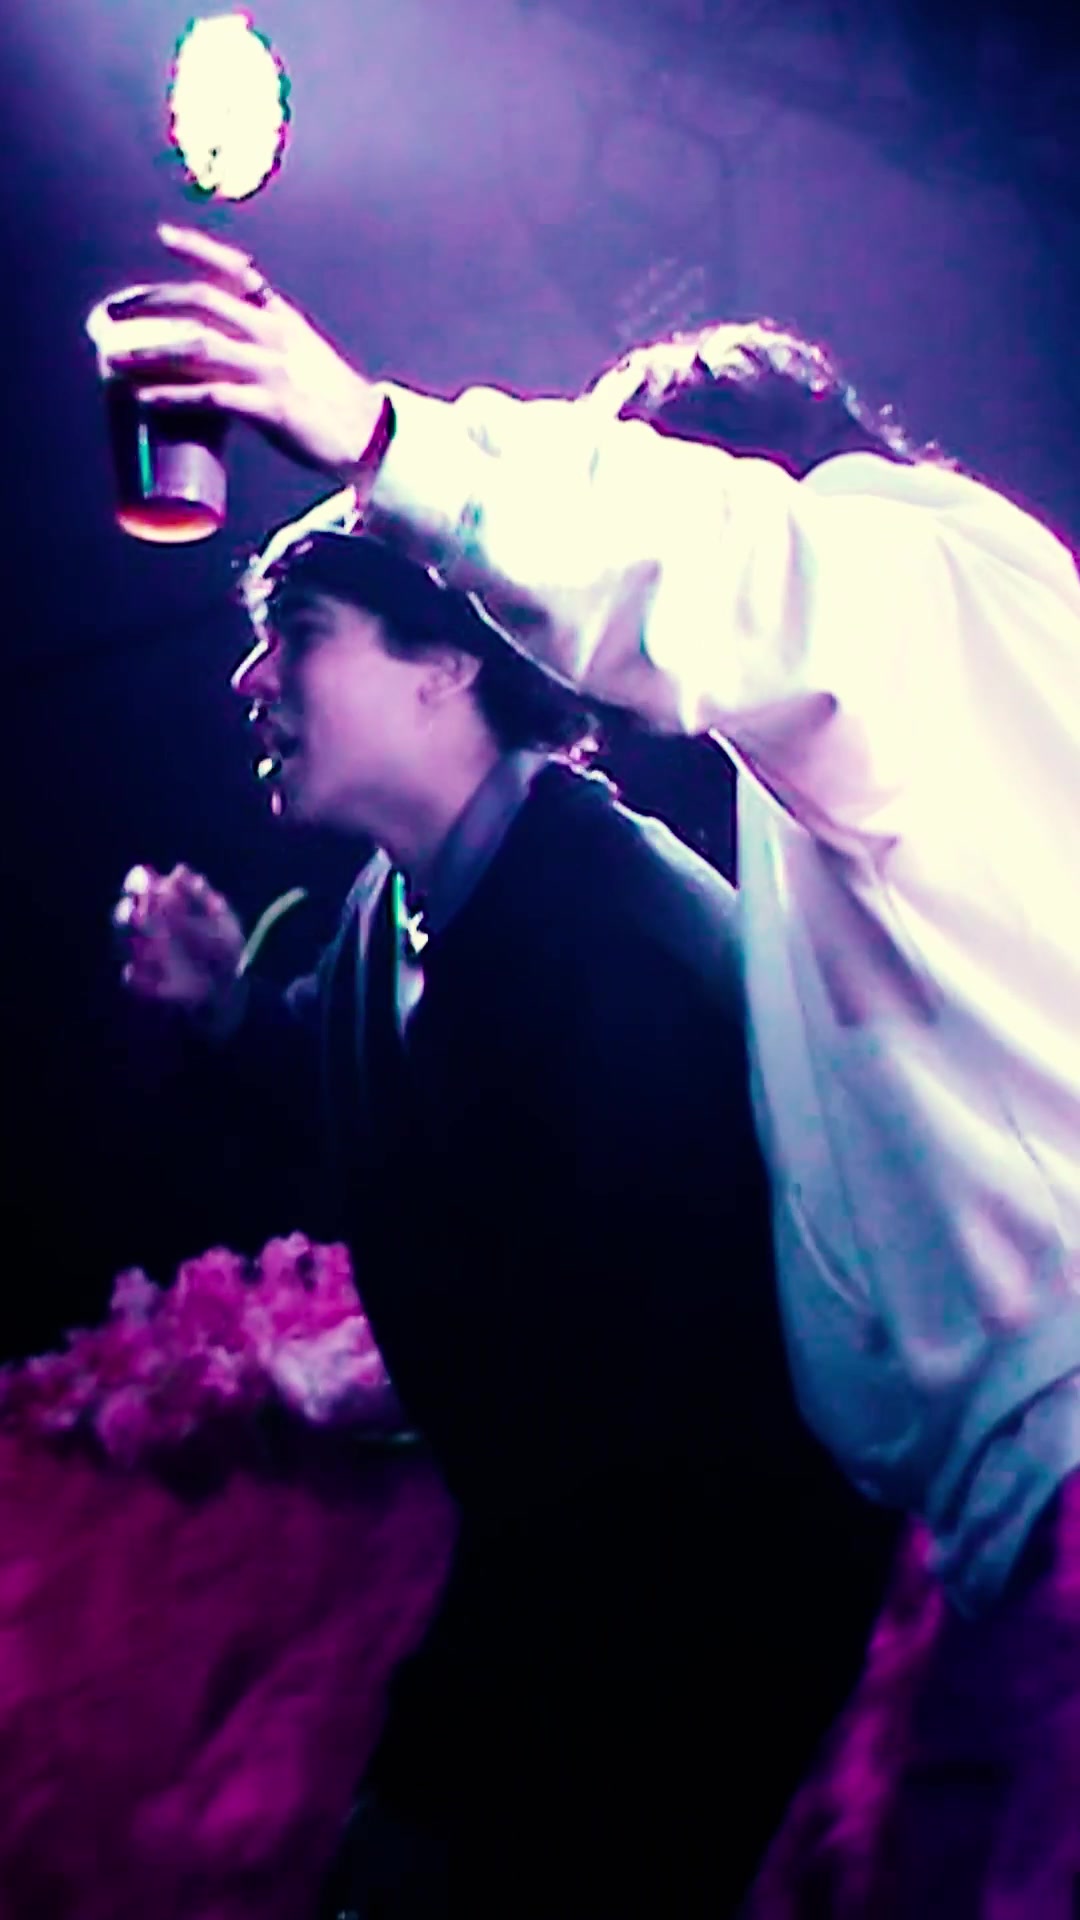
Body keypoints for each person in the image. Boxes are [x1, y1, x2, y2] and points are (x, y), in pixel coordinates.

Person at [97, 223, 1080, 1916]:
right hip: (993, 1533)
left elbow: (724, 567)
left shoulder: (912, 576)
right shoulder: (875, 746)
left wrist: (380, 438)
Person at [115, 517, 888, 1918]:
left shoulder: (616, 931)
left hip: (706, 1630)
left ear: (447, 665)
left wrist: (465, 1741)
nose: (250, 677)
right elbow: (388, 1098)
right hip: (579, 1600)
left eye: (296, 635)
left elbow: (664, 1423)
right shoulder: (393, 902)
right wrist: (226, 1009)